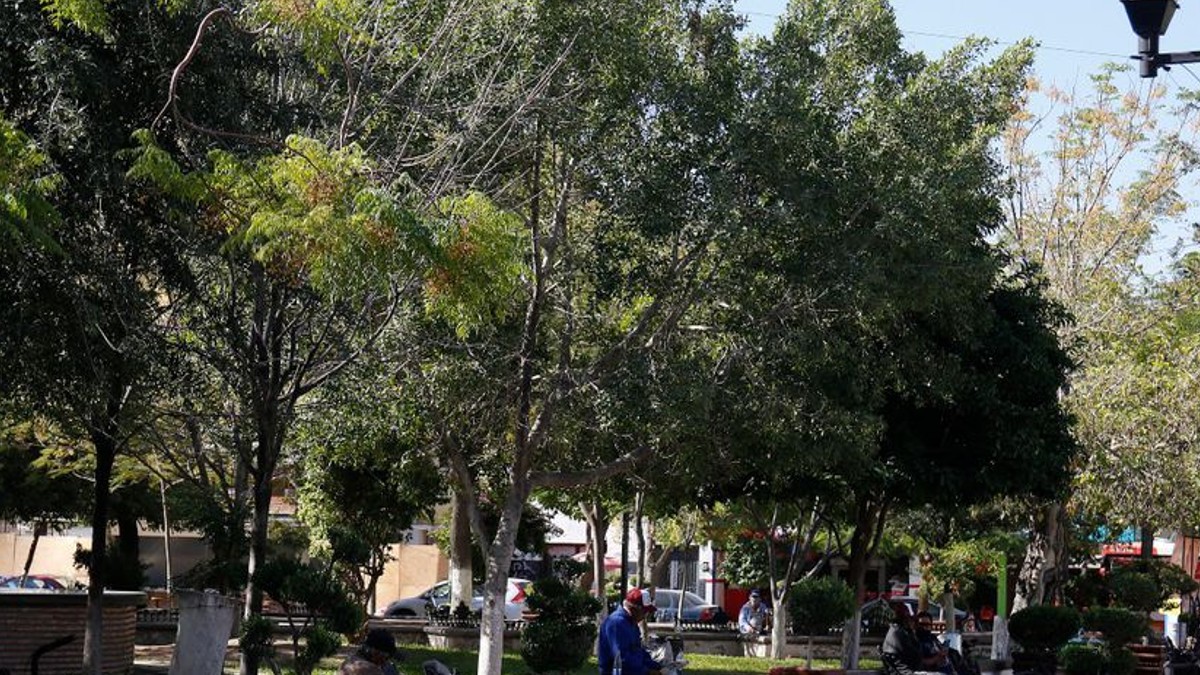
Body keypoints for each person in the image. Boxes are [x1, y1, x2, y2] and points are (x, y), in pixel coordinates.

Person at [599, 588, 662, 675]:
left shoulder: (631, 622)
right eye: (645, 611)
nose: (645, 615)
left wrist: (658, 666)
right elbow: (621, 658)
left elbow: (638, 651)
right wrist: (647, 671)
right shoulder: (616, 623)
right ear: (634, 609)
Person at [882, 607, 940, 675]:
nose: (913, 623)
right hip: (908, 672)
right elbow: (916, 656)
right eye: (911, 619)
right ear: (905, 620)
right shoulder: (899, 634)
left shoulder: (895, 631)